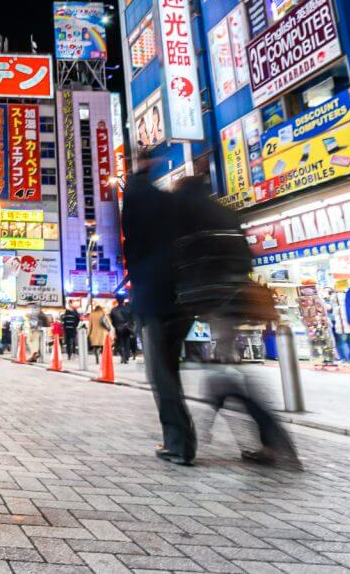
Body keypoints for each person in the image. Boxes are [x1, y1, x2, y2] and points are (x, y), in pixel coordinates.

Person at [173, 176, 298, 468]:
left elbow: (182, 257)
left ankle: (266, 438)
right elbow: (246, 256)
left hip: (210, 297)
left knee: (223, 368)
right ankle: (264, 437)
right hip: (235, 295)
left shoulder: (185, 214)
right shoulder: (225, 212)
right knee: (226, 361)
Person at [123, 152, 195, 466]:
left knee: (161, 372)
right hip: (183, 294)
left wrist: (136, 175)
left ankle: (178, 443)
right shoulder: (173, 205)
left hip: (155, 297)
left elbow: (133, 239)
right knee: (170, 370)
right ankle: (180, 440)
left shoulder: (139, 199)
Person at [112, 297, 136, 363]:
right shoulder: (127, 309)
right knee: (127, 342)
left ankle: (123, 357)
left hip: (118, 328)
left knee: (120, 343)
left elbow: (113, 321)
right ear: (123, 301)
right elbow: (131, 319)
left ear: (117, 301)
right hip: (127, 328)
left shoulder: (114, 310)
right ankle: (126, 357)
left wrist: (116, 327)